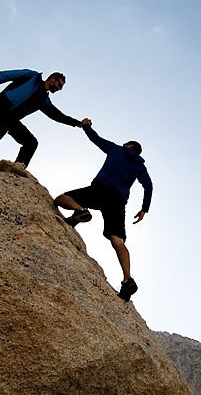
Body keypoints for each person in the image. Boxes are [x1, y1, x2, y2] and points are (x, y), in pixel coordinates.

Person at [54, 122, 152, 302]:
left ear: (128, 146)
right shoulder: (140, 166)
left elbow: (95, 139)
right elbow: (148, 185)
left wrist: (86, 126)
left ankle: (80, 211)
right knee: (117, 240)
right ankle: (127, 279)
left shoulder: (117, 150)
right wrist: (144, 208)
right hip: (119, 201)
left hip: (101, 188)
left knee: (60, 199)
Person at [0, 69, 82, 169]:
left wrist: (79, 123)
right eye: (59, 84)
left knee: (30, 142)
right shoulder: (31, 76)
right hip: (1, 103)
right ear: (52, 79)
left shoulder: (44, 100)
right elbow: (5, 75)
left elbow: (58, 115)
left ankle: (18, 167)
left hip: (11, 117)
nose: (60, 88)